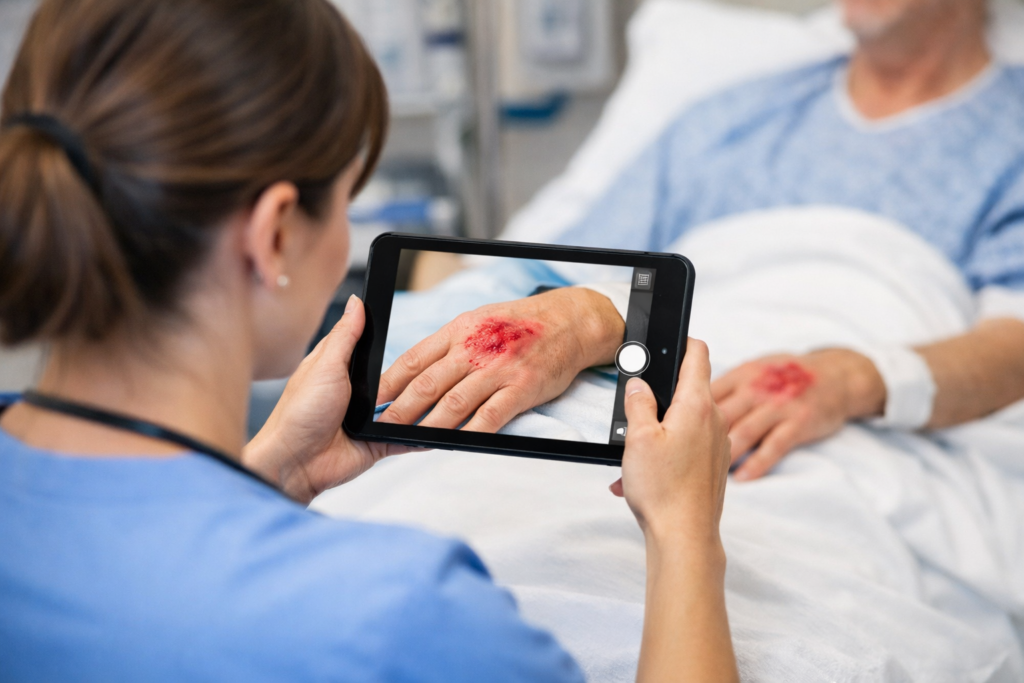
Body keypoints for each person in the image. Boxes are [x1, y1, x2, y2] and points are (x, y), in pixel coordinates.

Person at [0, 0, 738, 680]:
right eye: (347, 202)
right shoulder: (401, 618)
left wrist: (272, 477)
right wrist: (683, 533)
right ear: (276, 234)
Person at [383, 0, 1024, 481]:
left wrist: (854, 379)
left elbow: (1013, 345)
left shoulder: (1010, 136)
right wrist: (575, 313)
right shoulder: (730, 119)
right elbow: (554, 265)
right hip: (645, 384)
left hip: (825, 425)